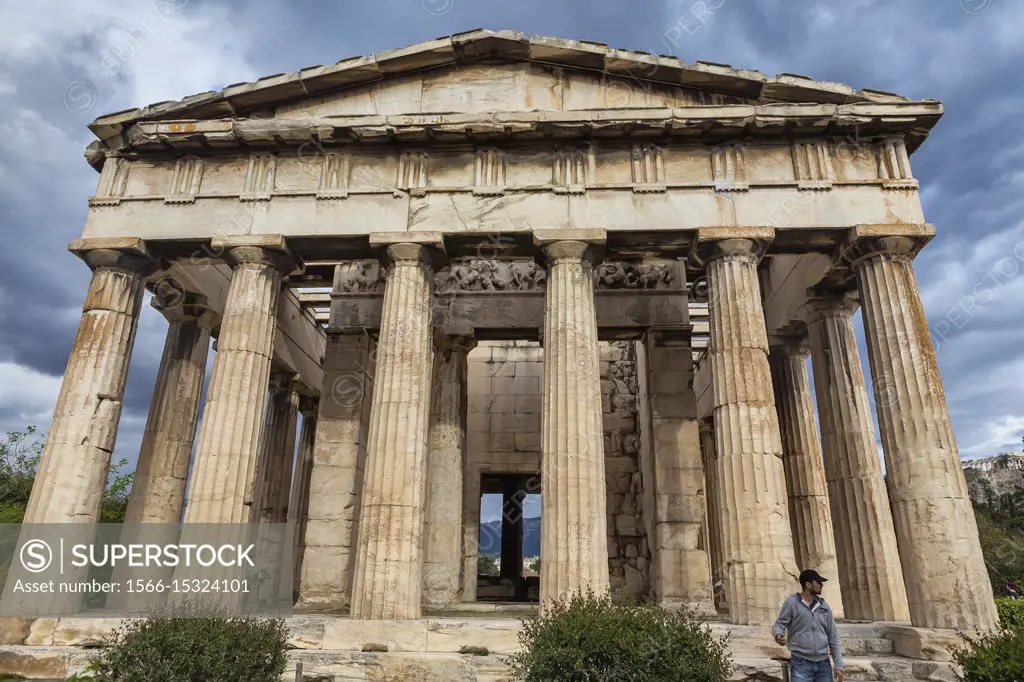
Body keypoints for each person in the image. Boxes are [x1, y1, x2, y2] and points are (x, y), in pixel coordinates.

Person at [772, 569, 844, 682]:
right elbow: (779, 624)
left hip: (823, 663)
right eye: (818, 582)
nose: (822, 585)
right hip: (801, 663)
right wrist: (778, 634)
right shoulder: (791, 603)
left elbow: (833, 636)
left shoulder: (824, 607)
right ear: (808, 584)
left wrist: (838, 665)